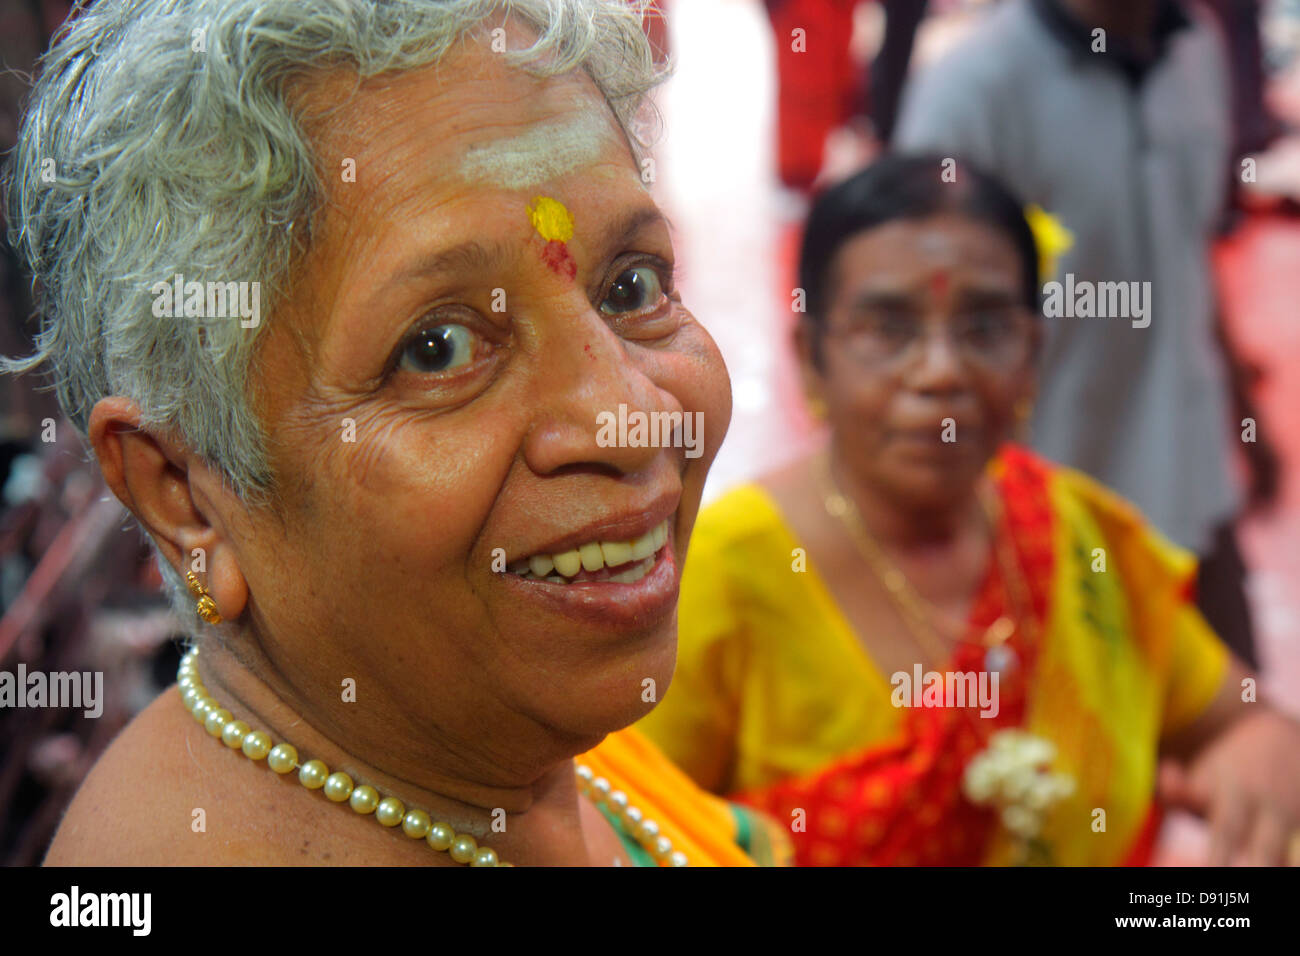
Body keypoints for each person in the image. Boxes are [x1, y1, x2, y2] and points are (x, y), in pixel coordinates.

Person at [2, 0, 787, 867]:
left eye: (632, 287)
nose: (628, 414)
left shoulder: (497, 740)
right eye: (436, 348)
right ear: (186, 495)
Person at [636, 155, 1300, 866]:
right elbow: (628, 831)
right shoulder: (716, 576)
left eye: (984, 329)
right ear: (810, 357)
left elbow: (1244, 725)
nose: (941, 371)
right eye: (888, 330)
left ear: (1032, 357)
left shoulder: (1079, 535)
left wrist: (1255, 764)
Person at [893, 0, 1273, 667]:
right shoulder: (973, 91)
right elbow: (919, 325)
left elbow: (1188, 259)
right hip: (1053, 527)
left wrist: (1247, 418)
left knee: (1240, 735)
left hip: (1195, 497)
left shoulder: (1195, 51)